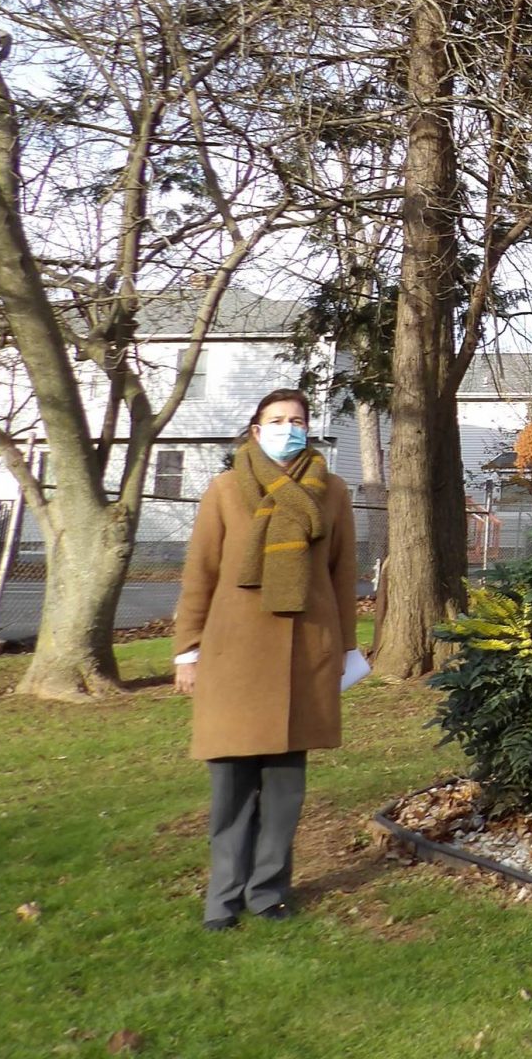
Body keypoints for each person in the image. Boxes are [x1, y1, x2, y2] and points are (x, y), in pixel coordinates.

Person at [172, 389, 359, 930]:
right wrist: (188, 651)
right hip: (233, 656)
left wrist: (345, 649)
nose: (287, 428)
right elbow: (200, 573)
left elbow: (342, 576)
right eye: (276, 420)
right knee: (230, 789)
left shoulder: (334, 491)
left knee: (283, 792)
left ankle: (269, 892)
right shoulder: (225, 490)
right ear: (255, 430)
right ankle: (223, 900)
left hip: (304, 655)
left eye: (297, 420)